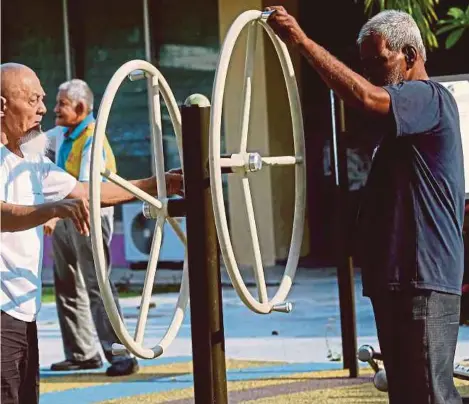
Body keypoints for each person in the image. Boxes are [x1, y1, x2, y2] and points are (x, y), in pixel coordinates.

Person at [267, 7, 464, 404]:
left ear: (410, 56)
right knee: (408, 394)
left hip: (421, 278)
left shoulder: (428, 98)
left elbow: (366, 96)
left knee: (429, 394)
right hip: (396, 279)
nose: (371, 72)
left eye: (379, 61)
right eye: (365, 64)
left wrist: (302, 44)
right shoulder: (403, 128)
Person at [0, 63, 183, 404]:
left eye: (45, 99)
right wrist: (51, 210)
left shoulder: (32, 157)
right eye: (33, 100)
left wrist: (157, 185)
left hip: (23, 307)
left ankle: (98, 350)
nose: (44, 109)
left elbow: (88, 192)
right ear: (2, 107)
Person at [43, 79, 136, 377]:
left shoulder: (93, 140)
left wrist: (52, 213)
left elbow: (83, 190)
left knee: (98, 286)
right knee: (66, 284)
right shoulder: (62, 133)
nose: (54, 110)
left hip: (89, 216)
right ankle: (82, 353)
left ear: (80, 108)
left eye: (61, 105)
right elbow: (28, 147)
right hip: (63, 215)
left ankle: (121, 354)